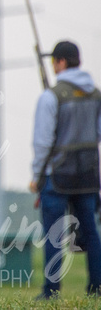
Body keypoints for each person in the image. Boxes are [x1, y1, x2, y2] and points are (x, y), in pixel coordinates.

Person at [29, 41, 101, 299]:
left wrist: (37, 176)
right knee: (91, 233)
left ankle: (51, 292)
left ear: (59, 62)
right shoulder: (95, 95)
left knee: (54, 235)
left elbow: (42, 142)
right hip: (88, 176)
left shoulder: (51, 96)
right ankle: (97, 288)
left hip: (57, 176)